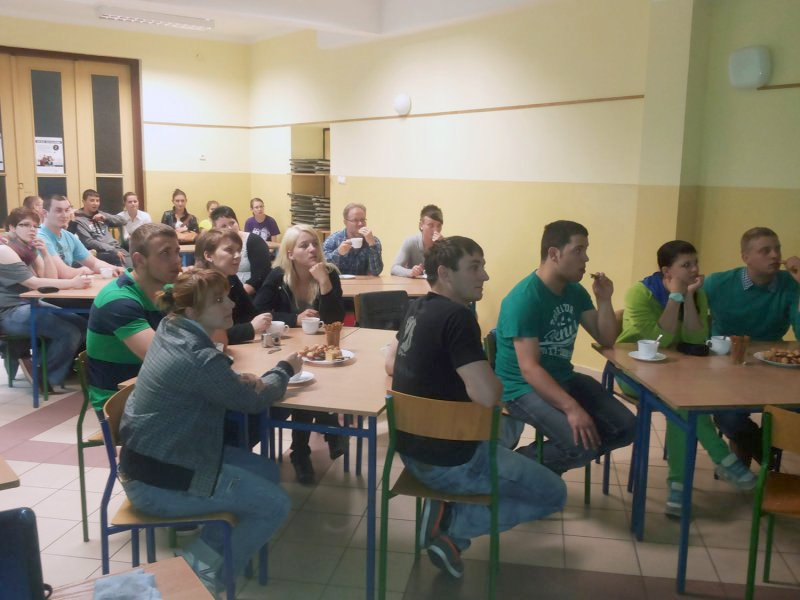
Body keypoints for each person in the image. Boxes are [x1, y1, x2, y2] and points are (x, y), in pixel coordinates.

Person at [385, 236, 566, 578]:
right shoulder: (459, 317)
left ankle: (446, 523)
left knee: (510, 426)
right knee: (554, 493)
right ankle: (452, 524)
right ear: (444, 273)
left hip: (411, 452)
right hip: (449, 462)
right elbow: (486, 394)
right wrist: (495, 383)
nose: (485, 276)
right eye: (474, 267)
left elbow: (390, 363)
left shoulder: (416, 307)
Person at [118, 268, 296, 594]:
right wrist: (284, 370)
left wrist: (233, 382)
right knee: (276, 505)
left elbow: (210, 382)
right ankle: (204, 580)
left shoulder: (170, 328)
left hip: (156, 462)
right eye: (218, 300)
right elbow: (252, 401)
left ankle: (201, 559)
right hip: (158, 483)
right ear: (190, 312)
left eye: (226, 296)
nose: (231, 304)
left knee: (267, 470)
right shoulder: (199, 357)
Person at [617, 240, 756, 517]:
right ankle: (721, 460)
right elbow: (659, 339)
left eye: (696, 263)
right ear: (666, 271)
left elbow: (696, 338)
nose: (695, 270)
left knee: (681, 405)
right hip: (633, 371)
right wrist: (675, 298)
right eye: (686, 265)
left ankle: (680, 486)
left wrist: (690, 298)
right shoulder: (640, 293)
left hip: (674, 373)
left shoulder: (697, 293)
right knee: (681, 405)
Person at [495, 220, 636, 475]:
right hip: (520, 388)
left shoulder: (574, 291)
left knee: (627, 427)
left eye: (586, 250)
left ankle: (547, 464)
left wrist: (604, 299)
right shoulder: (524, 299)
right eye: (578, 250)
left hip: (562, 377)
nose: (586, 258)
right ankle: (508, 468)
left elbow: (606, 339)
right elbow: (530, 369)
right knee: (580, 446)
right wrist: (572, 408)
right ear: (554, 254)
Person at [254, 224, 347, 483]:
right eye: (304, 245)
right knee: (304, 383)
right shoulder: (278, 276)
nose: (312, 249)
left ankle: (304, 449)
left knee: (314, 380)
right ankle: (324, 433)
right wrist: (293, 318)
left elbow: (336, 319)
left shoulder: (329, 273)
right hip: (284, 348)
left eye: (315, 244)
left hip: (320, 348)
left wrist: (324, 283)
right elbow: (258, 310)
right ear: (290, 253)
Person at [704, 227, 800, 465]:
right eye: (765, 250)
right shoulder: (718, 283)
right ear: (745, 257)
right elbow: (688, 313)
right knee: (729, 417)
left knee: (793, 409)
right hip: (726, 364)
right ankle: (767, 459)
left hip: (771, 367)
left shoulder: (790, 283)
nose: (775, 255)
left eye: (777, 249)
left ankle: (759, 455)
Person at [86, 224, 182, 414]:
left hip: (156, 388)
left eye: (177, 252)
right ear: (139, 260)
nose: (176, 261)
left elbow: (211, 334)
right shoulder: (118, 300)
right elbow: (163, 360)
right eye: (165, 253)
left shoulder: (169, 290)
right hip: (121, 401)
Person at [0, 207, 90, 393]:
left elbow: (49, 278)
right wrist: (73, 283)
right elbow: (33, 282)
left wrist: (46, 253)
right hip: (10, 311)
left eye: (35, 226)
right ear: (12, 228)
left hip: (30, 304)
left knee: (82, 325)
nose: (32, 229)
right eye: (25, 225)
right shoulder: (5, 250)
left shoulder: (28, 248)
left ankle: (45, 367)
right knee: (69, 333)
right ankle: (44, 377)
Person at [194, 229, 272, 345]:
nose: (237, 256)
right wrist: (250, 328)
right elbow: (211, 335)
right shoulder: (199, 286)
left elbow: (251, 314)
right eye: (229, 250)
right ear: (209, 256)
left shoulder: (231, 279)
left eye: (239, 250)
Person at [37, 195, 124, 278]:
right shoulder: (40, 236)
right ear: (45, 213)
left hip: (68, 285)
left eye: (67, 210)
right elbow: (63, 273)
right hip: (48, 287)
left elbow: (93, 263)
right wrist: (84, 270)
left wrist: (114, 268)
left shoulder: (68, 236)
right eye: (58, 211)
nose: (65, 215)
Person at [210, 206, 272, 295]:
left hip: (250, 293)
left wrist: (236, 296)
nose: (230, 228)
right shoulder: (214, 245)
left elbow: (259, 277)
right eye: (223, 226)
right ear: (215, 229)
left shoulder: (254, 241)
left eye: (232, 223)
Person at [72, 189, 131, 267]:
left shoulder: (100, 214)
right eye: (92, 200)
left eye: (97, 201)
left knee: (133, 265)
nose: (95, 203)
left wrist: (106, 218)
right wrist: (112, 250)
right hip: (99, 252)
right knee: (125, 266)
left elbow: (123, 221)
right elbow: (89, 242)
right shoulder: (79, 220)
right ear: (84, 201)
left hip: (115, 248)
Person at [322, 202, 383, 276]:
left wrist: (372, 245)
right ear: (345, 222)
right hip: (339, 282)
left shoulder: (373, 240)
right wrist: (338, 253)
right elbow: (323, 268)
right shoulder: (333, 240)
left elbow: (376, 272)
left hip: (364, 283)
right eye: (355, 220)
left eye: (362, 220)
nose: (360, 224)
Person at [391, 204, 444, 277]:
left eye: (439, 226)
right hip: (415, 283)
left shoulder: (443, 244)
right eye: (430, 225)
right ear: (421, 225)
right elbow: (394, 268)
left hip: (435, 283)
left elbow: (451, 272)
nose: (436, 230)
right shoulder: (411, 241)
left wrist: (442, 247)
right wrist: (411, 272)